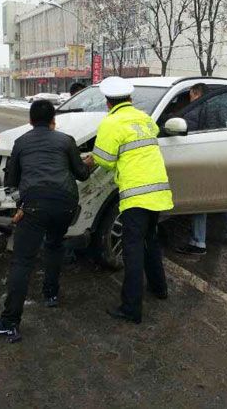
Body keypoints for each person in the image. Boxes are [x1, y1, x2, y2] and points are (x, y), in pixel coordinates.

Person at [0, 100, 91, 342]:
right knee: (54, 245)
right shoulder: (66, 140)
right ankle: (51, 295)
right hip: (65, 205)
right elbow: (81, 174)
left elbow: (11, 182)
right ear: (53, 121)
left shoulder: (21, 142)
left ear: (30, 121)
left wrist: (20, 206)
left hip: (35, 205)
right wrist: (88, 163)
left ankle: (9, 323)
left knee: (23, 261)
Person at [84, 76, 173, 324]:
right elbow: (153, 133)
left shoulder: (111, 122)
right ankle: (160, 288)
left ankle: (131, 308)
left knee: (132, 250)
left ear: (107, 102)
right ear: (130, 99)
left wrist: (92, 158)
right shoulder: (144, 118)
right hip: (158, 191)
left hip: (136, 194)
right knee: (150, 240)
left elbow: (106, 160)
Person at [176, 83, 227, 256]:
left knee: (200, 200)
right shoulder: (217, 107)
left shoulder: (196, 109)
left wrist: (173, 117)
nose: (190, 99)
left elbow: (185, 130)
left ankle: (198, 242)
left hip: (202, 159)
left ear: (196, 93)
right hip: (217, 157)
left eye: (190, 95)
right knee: (218, 197)